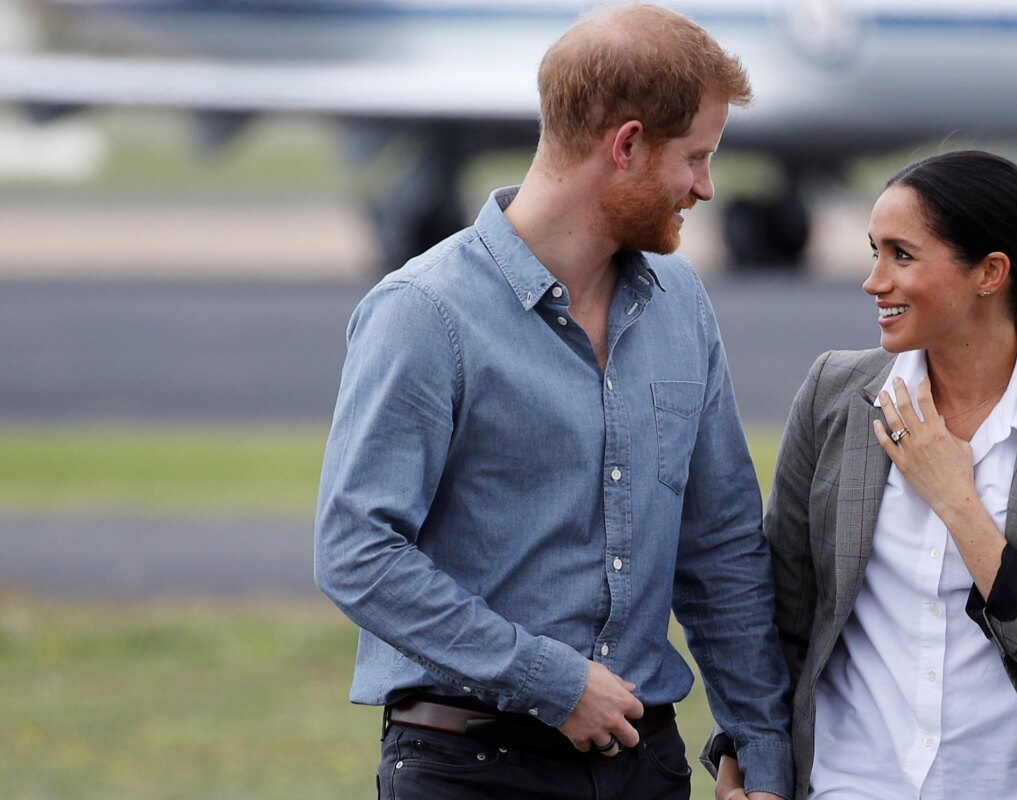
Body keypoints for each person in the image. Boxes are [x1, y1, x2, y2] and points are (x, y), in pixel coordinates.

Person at [313, 5, 792, 799]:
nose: (707, 188)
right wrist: (551, 680)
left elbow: (721, 551)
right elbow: (358, 554)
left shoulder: (681, 301)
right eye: (696, 158)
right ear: (628, 144)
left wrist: (762, 745)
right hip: (469, 772)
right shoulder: (424, 313)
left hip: (647, 764)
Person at [706, 151, 1017, 800]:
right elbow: (784, 611)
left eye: (902, 255)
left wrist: (958, 503)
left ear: (989, 273)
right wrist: (746, 749)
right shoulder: (834, 394)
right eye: (874, 251)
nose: (873, 280)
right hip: (851, 785)